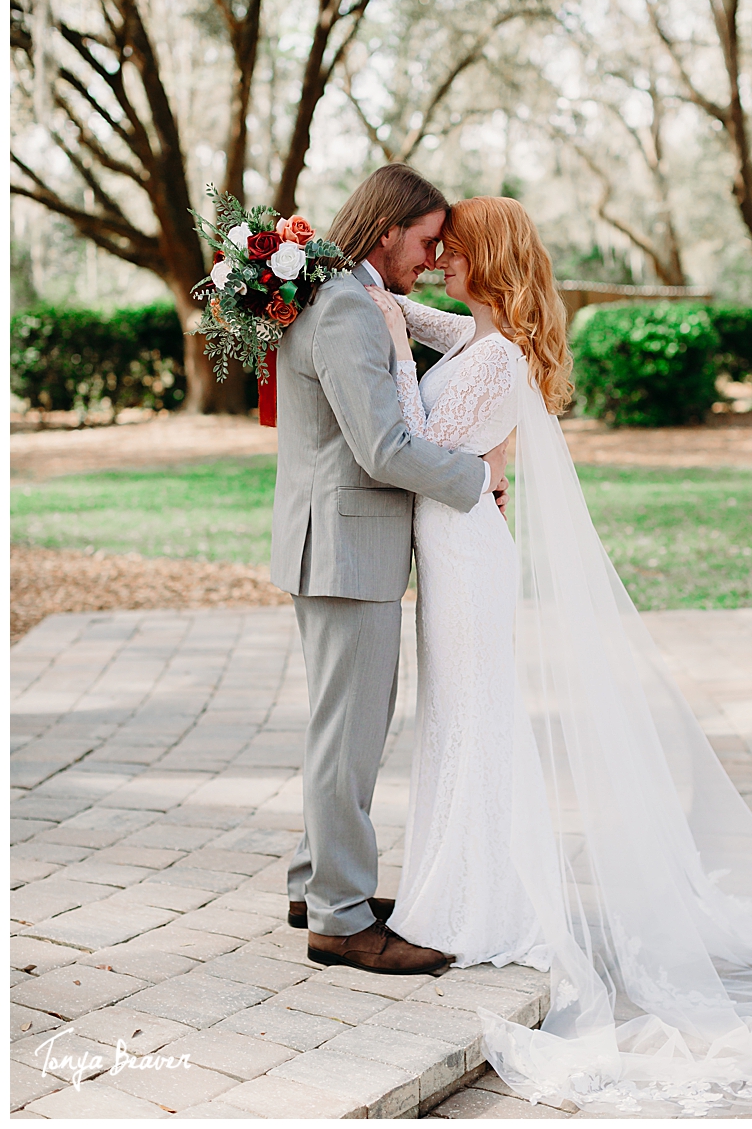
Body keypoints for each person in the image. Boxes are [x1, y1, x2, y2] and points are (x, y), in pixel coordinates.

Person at [359, 196, 752, 1114]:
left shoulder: (490, 358)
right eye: (435, 250)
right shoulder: (482, 337)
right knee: (455, 717)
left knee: (475, 718)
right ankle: (455, 887)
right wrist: (378, 299)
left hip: (470, 559)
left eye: (454, 251)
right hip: (453, 551)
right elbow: (441, 327)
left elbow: (415, 441)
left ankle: (484, 905)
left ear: (487, 261)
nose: (441, 261)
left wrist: (394, 351)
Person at [273, 163, 510, 977]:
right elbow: (381, 447)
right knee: (351, 736)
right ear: (386, 232)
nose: (432, 254)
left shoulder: (349, 296)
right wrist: (478, 477)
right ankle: (339, 920)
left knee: (342, 728)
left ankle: (318, 885)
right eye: (425, 240)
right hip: (345, 550)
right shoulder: (344, 305)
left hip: (342, 545)